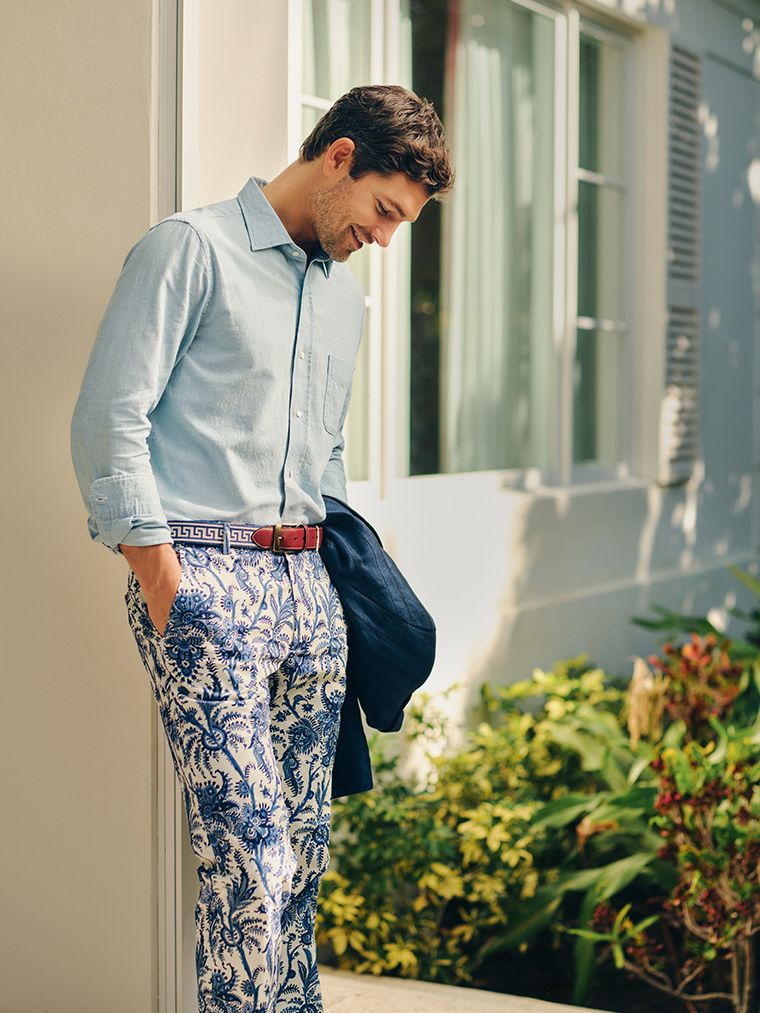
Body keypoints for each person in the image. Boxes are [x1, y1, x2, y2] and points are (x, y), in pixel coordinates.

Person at [70, 83, 453, 1013]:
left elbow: (327, 458)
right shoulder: (189, 249)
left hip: (308, 589)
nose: (386, 236)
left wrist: (339, 587)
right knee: (250, 854)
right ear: (339, 158)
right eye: (385, 211)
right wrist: (169, 587)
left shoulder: (344, 305)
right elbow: (108, 421)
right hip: (206, 576)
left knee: (303, 855)